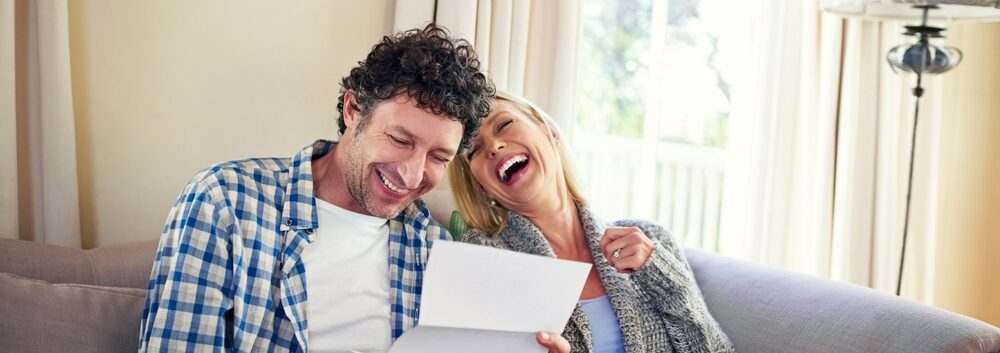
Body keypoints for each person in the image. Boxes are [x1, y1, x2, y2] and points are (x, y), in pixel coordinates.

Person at [138, 24, 516, 352]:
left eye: (438, 157)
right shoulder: (224, 202)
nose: (413, 175)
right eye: (401, 139)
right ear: (354, 110)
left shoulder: (435, 248)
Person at [448, 91, 736, 353]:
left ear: (549, 131)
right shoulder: (487, 258)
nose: (494, 146)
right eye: (474, 150)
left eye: (504, 125)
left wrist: (662, 275)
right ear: (482, 186)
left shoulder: (650, 240)